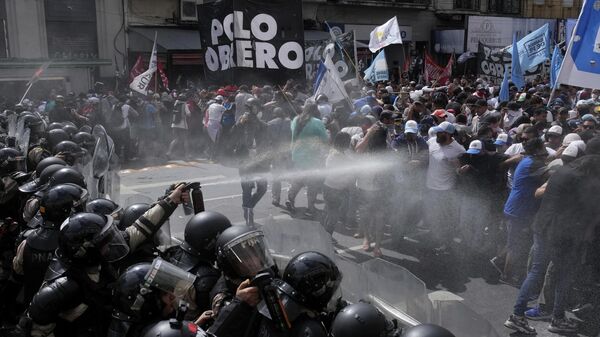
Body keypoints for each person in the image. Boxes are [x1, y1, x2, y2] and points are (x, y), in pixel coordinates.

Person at [504, 138, 600, 335]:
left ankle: (516, 315)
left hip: (543, 226)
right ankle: (557, 317)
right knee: (564, 274)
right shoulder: (591, 174)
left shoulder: (563, 169)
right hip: (566, 233)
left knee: (537, 271)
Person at [501, 138, 547, 286]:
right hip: (519, 209)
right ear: (538, 149)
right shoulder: (534, 163)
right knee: (515, 245)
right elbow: (551, 171)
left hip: (516, 206)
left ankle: (498, 261)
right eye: (543, 148)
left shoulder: (528, 160)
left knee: (515, 241)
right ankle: (506, 276)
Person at [424, 121, 465, 254]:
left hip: (446, 191)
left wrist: (457, 166)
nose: (436, 134)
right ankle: (436, 240)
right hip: (430, 187)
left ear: (447, 134)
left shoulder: (459, 149)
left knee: (445, 219)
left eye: (439, 132)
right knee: (433, 217)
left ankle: (446, 244)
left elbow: (461, 173)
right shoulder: (432, 142)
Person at [286, 101, 328, 216]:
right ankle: (310, 207)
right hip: (312, 158)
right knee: (312, 183)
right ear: (316, 111)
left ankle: (290, 199)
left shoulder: (296, 120)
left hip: (297, 155)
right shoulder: (317, 122)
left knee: (298, 180)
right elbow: (325, 139)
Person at [322, 132, 353, 236]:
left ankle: (325, 236)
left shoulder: (335, 152)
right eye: (348, 141)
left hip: (330, 187)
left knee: (330, 214)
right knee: (333, 216)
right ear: (345, 142)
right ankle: (327, 238)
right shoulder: (338, 155)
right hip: (334, 189)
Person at [266, 107, 291, 206]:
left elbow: (267, 140)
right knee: (291, 176)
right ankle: (290, 198)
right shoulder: (290, 122)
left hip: (276, 153)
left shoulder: (270, 123)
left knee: (276, 177)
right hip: (288, 152)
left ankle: (276, 198)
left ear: (274, 114)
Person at [167, 94, 191, 160]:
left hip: (174, 124)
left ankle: (169, 152)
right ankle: (187, 156)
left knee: (176, 139)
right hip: (182, 124)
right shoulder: (185, 105)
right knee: (185, 140)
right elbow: (189, 114)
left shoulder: (176, 104)